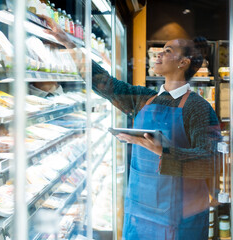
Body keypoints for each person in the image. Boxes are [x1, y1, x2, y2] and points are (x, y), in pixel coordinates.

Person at [41, 15, 220, 240]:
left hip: (180, 220)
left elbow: (212, 161)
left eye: (167, 51)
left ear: (182, 63)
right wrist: (67, 41)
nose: (158, 54)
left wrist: (163, 151)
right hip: (140, 213)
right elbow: (103, 82)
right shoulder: (144, 98)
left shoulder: (199, 108)